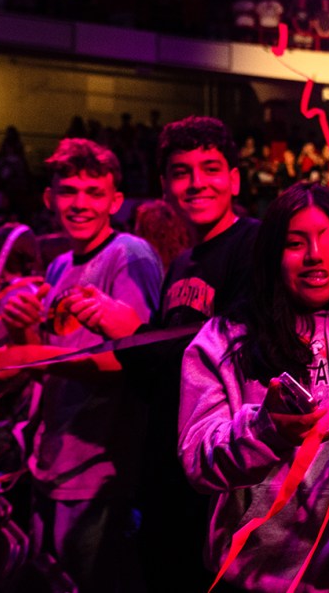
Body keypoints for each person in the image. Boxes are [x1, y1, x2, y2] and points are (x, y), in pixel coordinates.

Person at [178, 183, 329, 591]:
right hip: (256, 578)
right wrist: (265, 430)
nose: (315, 255)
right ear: (271, 256)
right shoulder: (226, 340)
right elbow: (198, 460)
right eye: (294, 243)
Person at [0, 138, 162, 593]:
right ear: (50, 199)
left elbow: (135, 360)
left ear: (116, 200)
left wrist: (33, 354)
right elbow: (40, 365)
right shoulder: (59, 266)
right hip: (53, 463)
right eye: (68, 191)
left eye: (93, 192)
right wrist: (20, 331)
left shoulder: (129, 253)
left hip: (101, 473)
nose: (80, 203)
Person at [119, 116, 260, 592]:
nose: (197, 183)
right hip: (171, 465)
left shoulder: (254, 244)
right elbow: (158, 376)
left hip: (218, 468)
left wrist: (128, 330)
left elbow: (237, 357)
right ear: (164, 186)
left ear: (234, 179)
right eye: (182, 171)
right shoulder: (181, 262)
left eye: (211, 168)